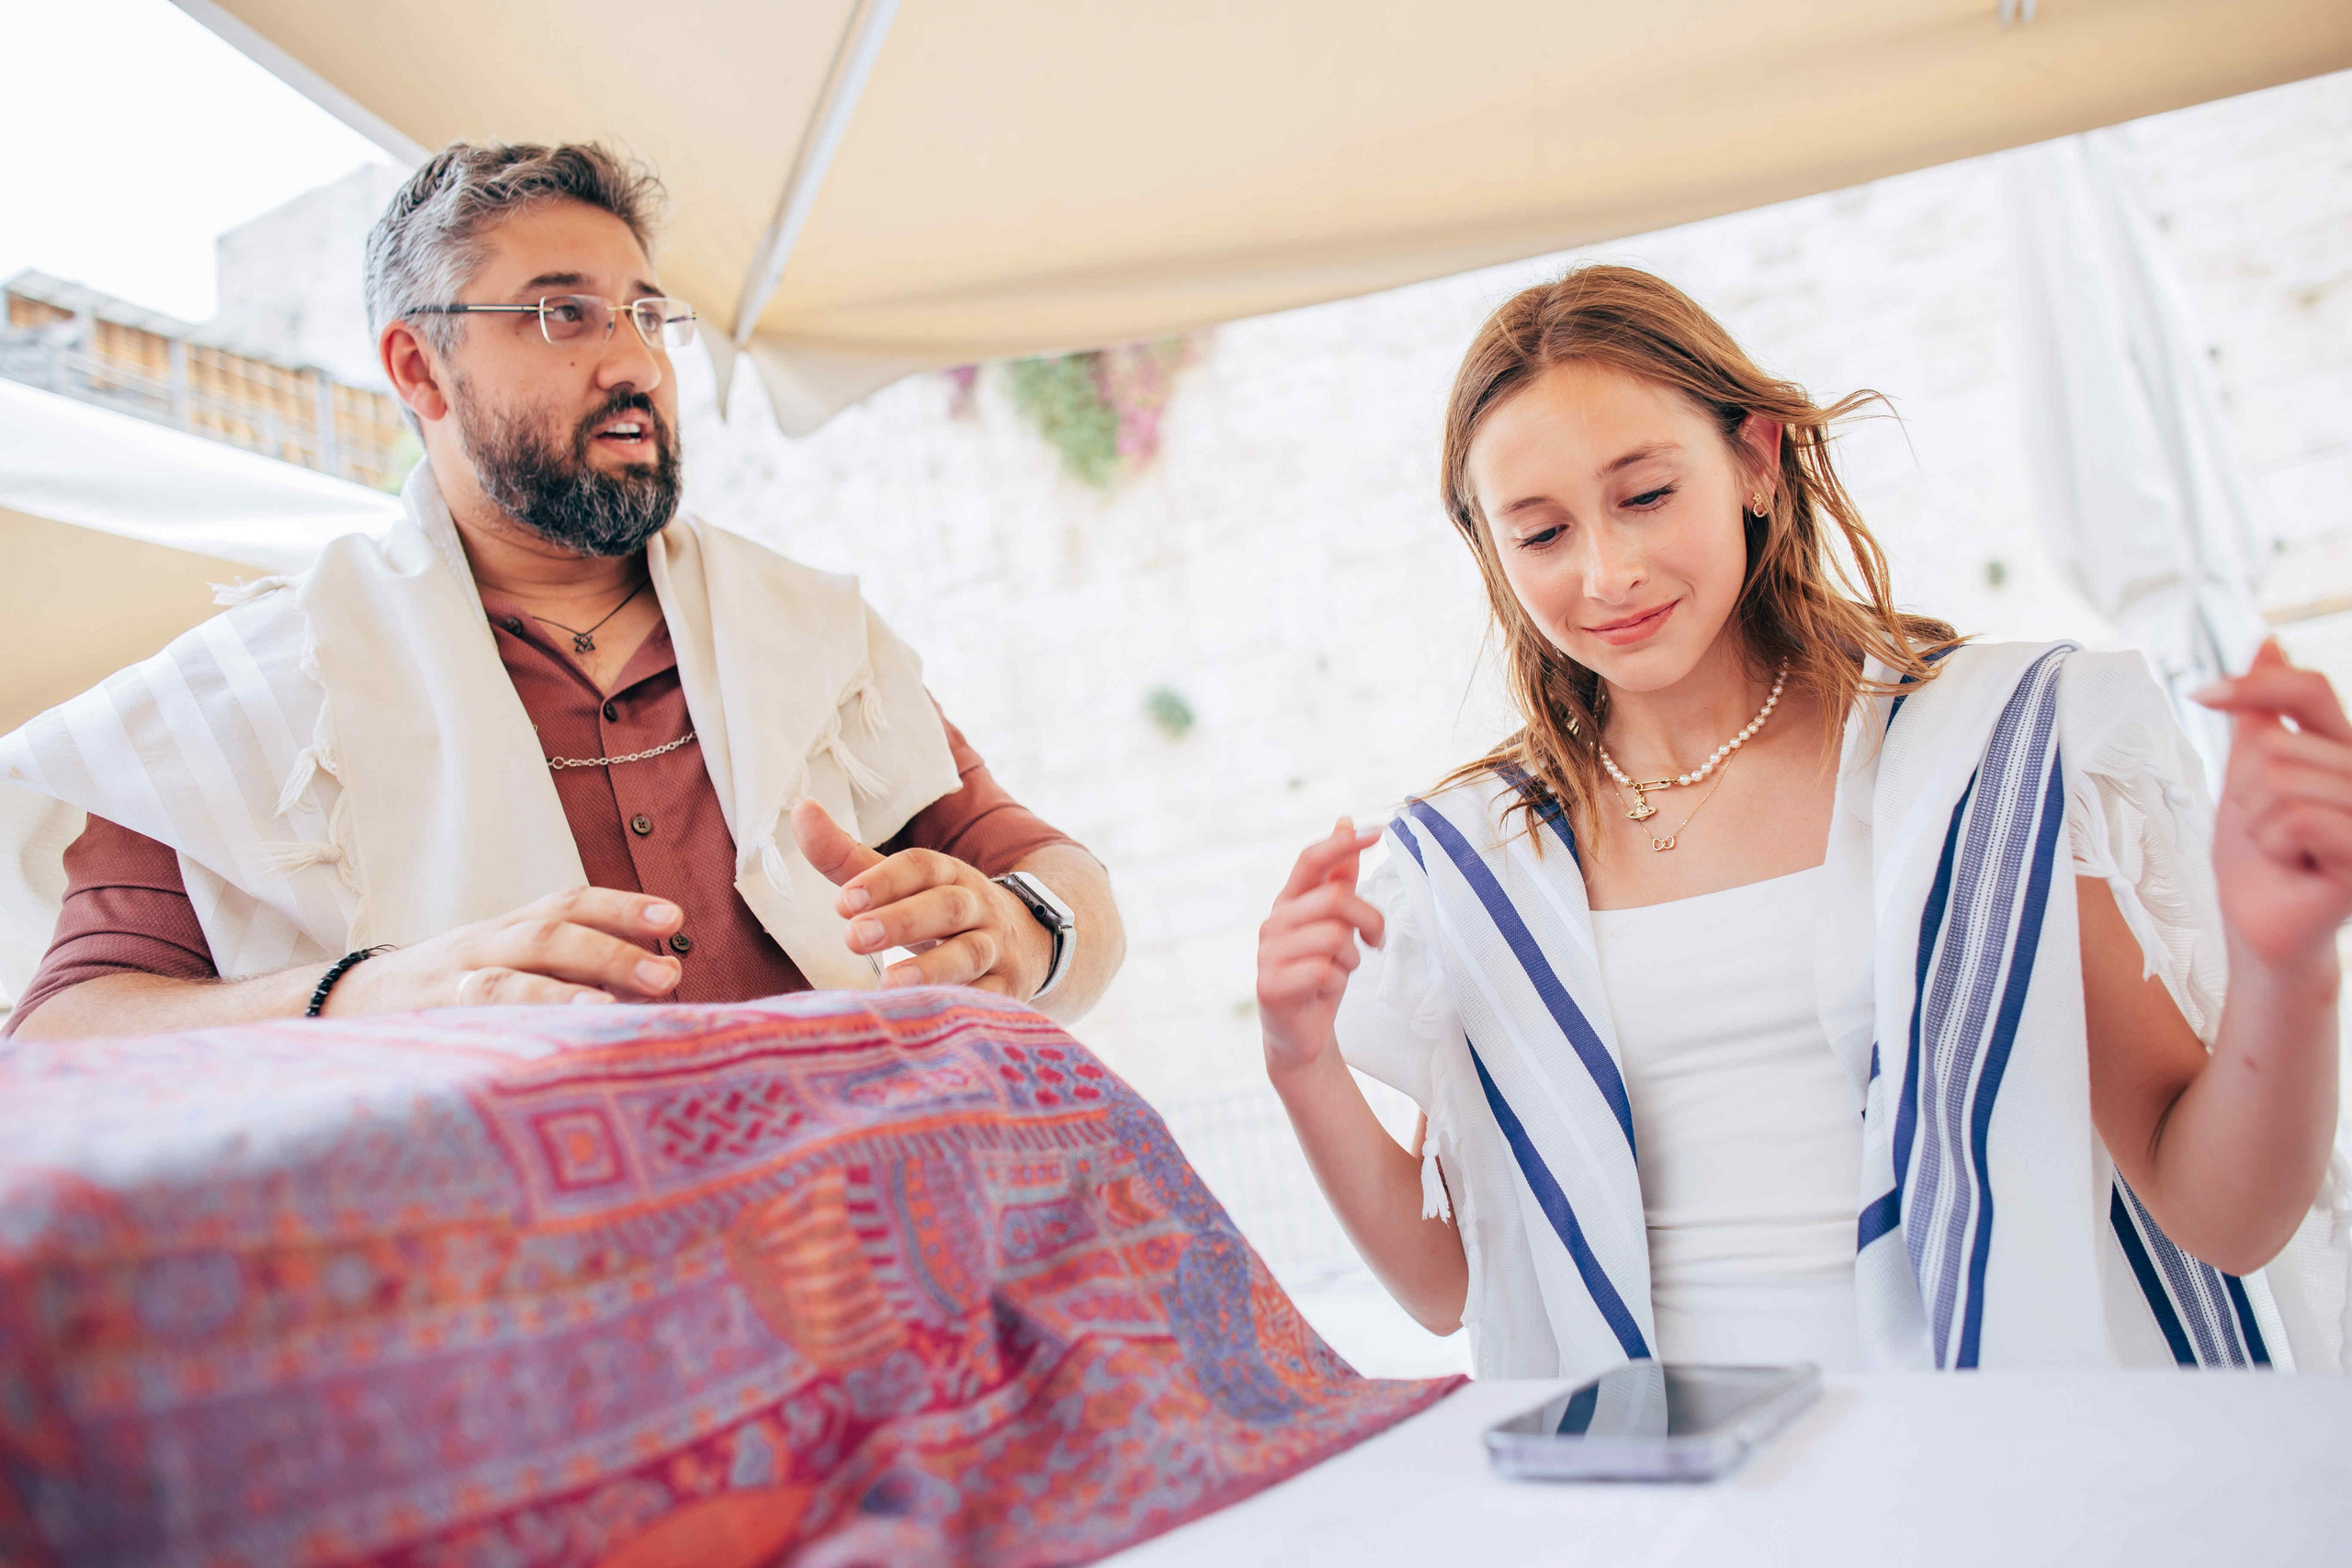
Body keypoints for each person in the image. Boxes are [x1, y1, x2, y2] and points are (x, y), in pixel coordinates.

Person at [1258, 266, 2350, 1377]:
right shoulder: (1482, 861)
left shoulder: (1982, 763)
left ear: (1755, 463)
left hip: (1999, 1479)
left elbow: (2225, 1219)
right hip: (1671, 1500)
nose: (1607, 571)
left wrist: (2289, 964)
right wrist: (1302, 1063)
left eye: (1643, 496)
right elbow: (1448, 1288)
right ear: (1491, 551)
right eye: (1539, 533)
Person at [0, 142, 1122, 1035]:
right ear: (416, 368)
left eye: (647, 315)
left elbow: (1049, 868)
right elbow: (70, 1033)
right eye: (563, 313)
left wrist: (1026, 929)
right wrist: (361, 995)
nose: (635, 362)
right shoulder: (247, 696)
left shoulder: (812, 637)